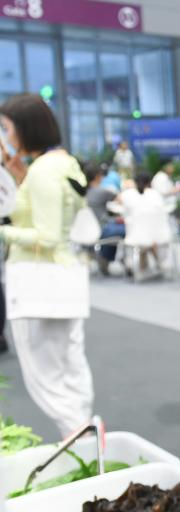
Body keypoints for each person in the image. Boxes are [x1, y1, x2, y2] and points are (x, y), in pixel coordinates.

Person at [0, 94, 93, 437]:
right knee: (70, 367)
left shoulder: (42, 172)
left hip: (37, 278)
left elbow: (48, 236)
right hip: (64, 275)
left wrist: (4, 231)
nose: (7, 136)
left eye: (8, 128)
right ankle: (85, 439)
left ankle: (80, 437)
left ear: (26, 128)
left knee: (46, 378)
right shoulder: (63, 164)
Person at [84, 162, 124, 275]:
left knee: (113, 227)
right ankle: (105, 257)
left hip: (84, 229)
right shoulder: (102, 191)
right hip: (100, 229)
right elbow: (120, 200)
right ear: (98, 176)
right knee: (124, 229)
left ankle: (103, 258)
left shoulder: (82, 192)